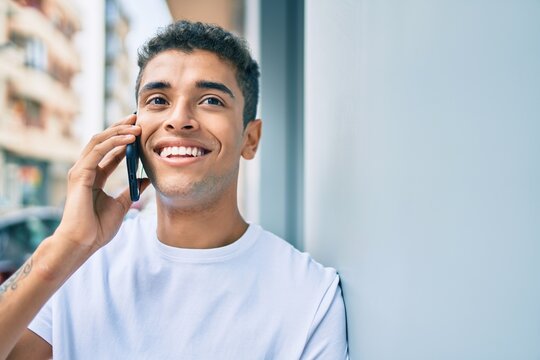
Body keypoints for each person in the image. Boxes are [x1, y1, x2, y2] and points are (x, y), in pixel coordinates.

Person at [0, 20, 348, 359]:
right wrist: (66, 247)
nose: (178, 118)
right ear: (133, 130)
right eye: (157, 100)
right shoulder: (78, 265)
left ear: (250, 138)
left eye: (211, 100)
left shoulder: (311, 296)